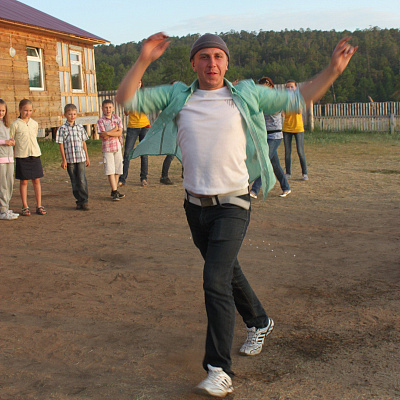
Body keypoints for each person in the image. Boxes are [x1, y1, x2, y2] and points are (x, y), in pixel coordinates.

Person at [116, 32, 357, 397]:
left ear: (227, 63)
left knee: (214, 280)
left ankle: (218, 370)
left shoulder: (245, 94)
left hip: (234, 203)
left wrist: (333, 70)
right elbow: (125, 99)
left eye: (218, 56)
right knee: (227, 271)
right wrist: (144, 59)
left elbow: (300, 97)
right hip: (194, 207)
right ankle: (259, 320)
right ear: (194, 63)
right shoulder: (179, 95)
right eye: (204, 57)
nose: (211, 63)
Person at [250, 77, 291, 199]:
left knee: (264, 161)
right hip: (265, 136)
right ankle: (286, 187)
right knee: (275, 165)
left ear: (271, 87)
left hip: (275, 136)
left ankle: (254, 190)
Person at [10, 99, 46, 216]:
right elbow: (11, 140)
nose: (28, 113)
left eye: (30, 110)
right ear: (20, 110)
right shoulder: (15, 124)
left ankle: (39, 205)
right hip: (22, 155)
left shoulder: (34, 124)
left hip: (34, 154)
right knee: (24, 181)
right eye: (25, 110)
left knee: (36, 180)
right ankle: (25, 205)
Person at [56, 104, 90, 210]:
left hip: (80, 157)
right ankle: (79, 201)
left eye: (74, 114)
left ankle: (84, 200)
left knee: (81, 179)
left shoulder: (80, 127)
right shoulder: (62, 129)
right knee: (74, 180)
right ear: (65, 115)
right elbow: (61, 144)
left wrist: (87, 157)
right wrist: (64, 160)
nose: (72, 116)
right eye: (70, 114)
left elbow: (83, 142)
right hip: (70, 159)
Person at [119, 80, 150, 188]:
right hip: (132, 127)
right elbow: (126, 113)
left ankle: (144, 178)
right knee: (127, 153)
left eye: (139, 82)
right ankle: (122, 179)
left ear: (141, 84)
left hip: (144, 126)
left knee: (144, 153)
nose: (137, 84)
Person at [97, 99, 125, 201]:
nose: (108, 109)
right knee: (110, 169)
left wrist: (108, 133)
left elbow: (119, 133)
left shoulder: (117, 118)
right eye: (106, 107)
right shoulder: (100, 121)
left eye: (110, 107)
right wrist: (114, 130)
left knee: (117, 169)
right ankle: (114, 190)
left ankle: (115, 190)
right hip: (107, 148)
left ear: (113, 108)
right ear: (102, 109)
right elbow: (103, 136)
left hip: (117, 146)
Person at [283, 80, 308, 180]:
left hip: (298, 128)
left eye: (291, 87)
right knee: (287, 152)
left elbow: (299, 111)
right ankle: (288, 173)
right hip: (287, 128)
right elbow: (283, 114)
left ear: (296, 88)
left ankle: (304, 173)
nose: (290, 89)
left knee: (300, 151)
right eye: (288, 87)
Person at [0, 98, 19, 220]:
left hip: (9, 158)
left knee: (9, 184)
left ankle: (6, 207)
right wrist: (4, 142)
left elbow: (8, 138)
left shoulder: (7, 124)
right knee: (2, 185)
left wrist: (11, 141)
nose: (1, 113)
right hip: (1, 159)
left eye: (3, 110)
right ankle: (2, 210)